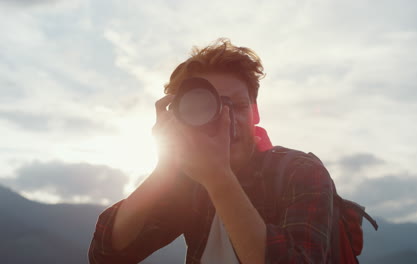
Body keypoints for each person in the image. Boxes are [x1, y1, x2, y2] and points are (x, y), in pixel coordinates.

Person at [88, 39, 335, 264]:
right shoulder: (189, 184)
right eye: (208, 107)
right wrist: (165, 168)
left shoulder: (298, 171)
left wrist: (218, 179)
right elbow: (106, 255)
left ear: (255, 112)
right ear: (182, 117)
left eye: (237, 106)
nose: (227, 119)